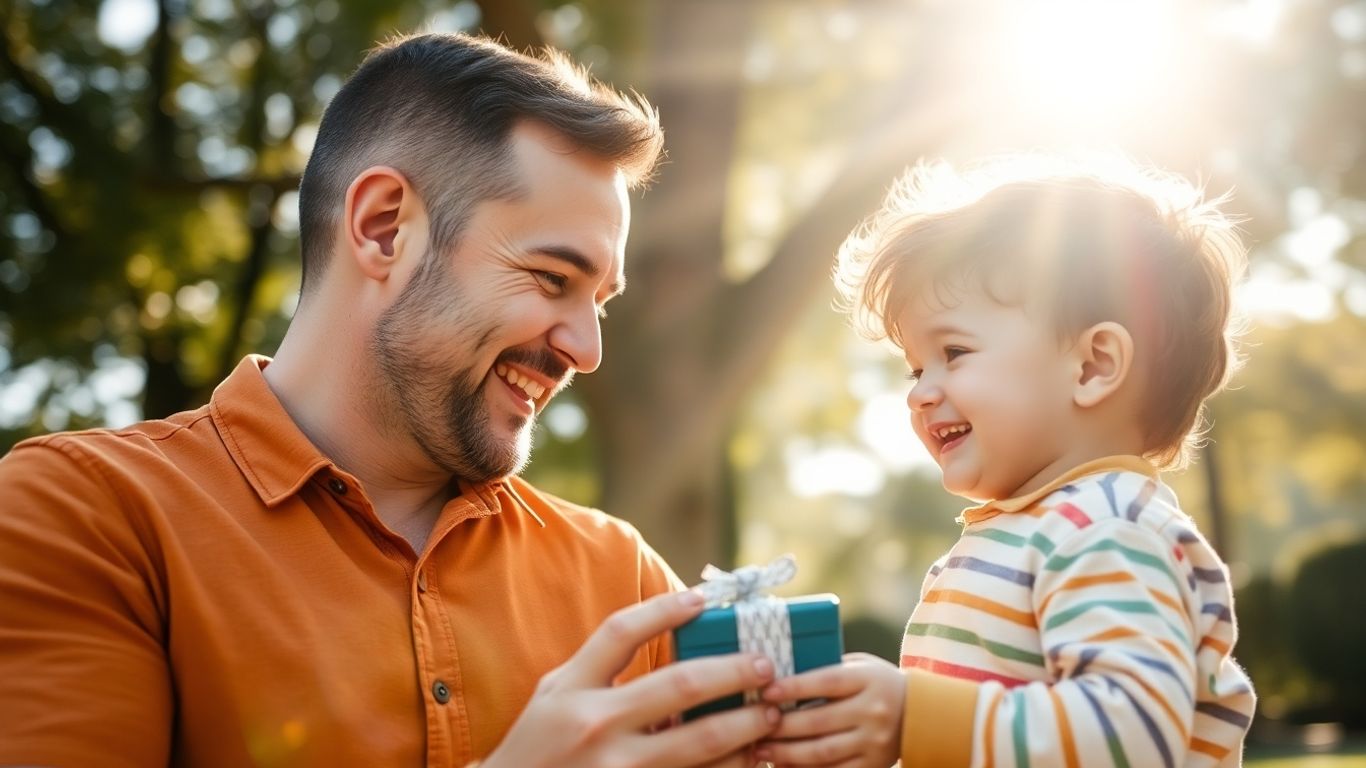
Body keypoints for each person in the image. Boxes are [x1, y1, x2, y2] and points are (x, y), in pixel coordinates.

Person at [0, 32, 781, 767]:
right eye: (552, 280)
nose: (586, 348)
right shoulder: (85, 517)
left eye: (600, 301)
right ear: (382, 228)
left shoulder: (624, 578)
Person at [755, 158, 1257, 767]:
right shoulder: (1030, 532)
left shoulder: (1106, 528)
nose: (918, 392)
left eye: (954, 352)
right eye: (916, 368)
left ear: (1093, 366)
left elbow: (1133, 737)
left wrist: (913, 716)